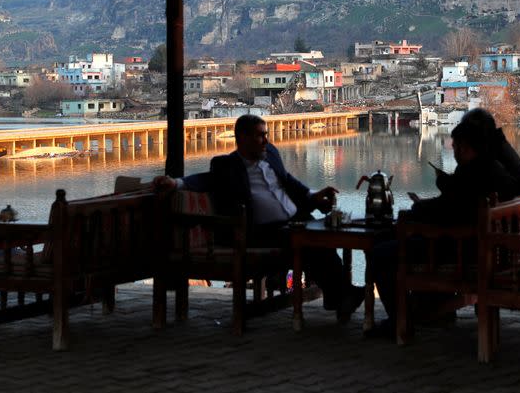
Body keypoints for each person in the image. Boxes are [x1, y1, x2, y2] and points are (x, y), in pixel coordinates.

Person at [154, 114, 364, 320]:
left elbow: (288, 181)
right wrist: (176, 183)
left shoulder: (271, 153)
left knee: (325, 237)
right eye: (260, 136)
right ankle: (341, 296)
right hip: (263, 231)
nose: (266, 140)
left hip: (296, 220)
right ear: (243, 139)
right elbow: (205, 180)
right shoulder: (227, 166)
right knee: (312, 244)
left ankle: (338, 297)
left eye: (266, 135)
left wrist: (312, 196)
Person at [369, 108, 520, 337]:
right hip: (486, 246)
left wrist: (417, 209)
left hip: (461, 249)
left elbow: (449, 210)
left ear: (466, 147)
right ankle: (430, 310)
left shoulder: (472, 172)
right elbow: (457, 203)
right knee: (390, 239)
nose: (454, 151)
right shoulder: (493, 168)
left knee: (381, 252)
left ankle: (400, 319)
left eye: (455, 147)